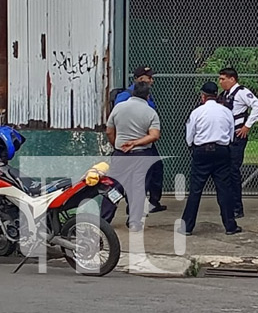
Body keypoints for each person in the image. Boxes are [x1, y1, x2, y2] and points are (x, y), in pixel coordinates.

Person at [179, 82, 241, 236]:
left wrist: (193, 147)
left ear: (203, 96)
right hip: (222, 151)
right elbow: (231, 133)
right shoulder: (226, 112)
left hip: (201, 152)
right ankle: (230, 225)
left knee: (195, 190)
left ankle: (187, 226)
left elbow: (189, 135)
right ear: (216, 95)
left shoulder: (197, 112)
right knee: (224, 189)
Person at [102, 81, 161, 232]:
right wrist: (136, 143)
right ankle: (134, 222)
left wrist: (118, 145)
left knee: (114, 186)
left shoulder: (118, 108)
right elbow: (154, 135)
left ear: (133, 93)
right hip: (142, 156)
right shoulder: (150, 112)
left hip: (121, 154)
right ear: (147, 96)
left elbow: (109, 131)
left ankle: (104, 219)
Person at [113, 66, 166, 213]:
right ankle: (111, 213)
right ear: (140, 78)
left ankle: (153, 202)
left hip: (145, 141)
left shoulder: (147, 94)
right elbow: (118, 119)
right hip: (131, 143)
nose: (152, 80)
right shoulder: (125, 96)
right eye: (149, 77)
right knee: (124, 182)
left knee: (156, 169)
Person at [218, 67, 258, 219]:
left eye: (223, 79)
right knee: (226, 172)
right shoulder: (224, 95)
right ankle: (229, 205)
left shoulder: (242, 92)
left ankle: (237, 207)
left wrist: (247, 125)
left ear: (232, 79)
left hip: (237, 137)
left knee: (233, 172)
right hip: (226, 137)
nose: (221, 82)